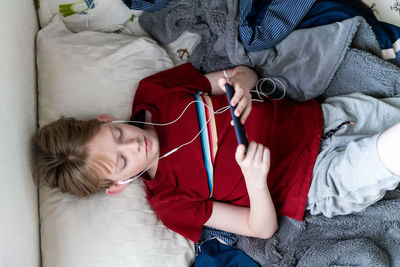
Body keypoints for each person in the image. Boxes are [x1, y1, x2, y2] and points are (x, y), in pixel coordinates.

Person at [33, 63, 400, 243]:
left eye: (116, 133)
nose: (132, 143)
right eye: (122, 160)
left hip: (326, 118)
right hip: (318, 182)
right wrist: (256, 181)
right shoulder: (170, 202)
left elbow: (244, 73)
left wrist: (240, 84)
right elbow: (261, 228)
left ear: (105, 118)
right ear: (118, 184)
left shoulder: (154, 92)